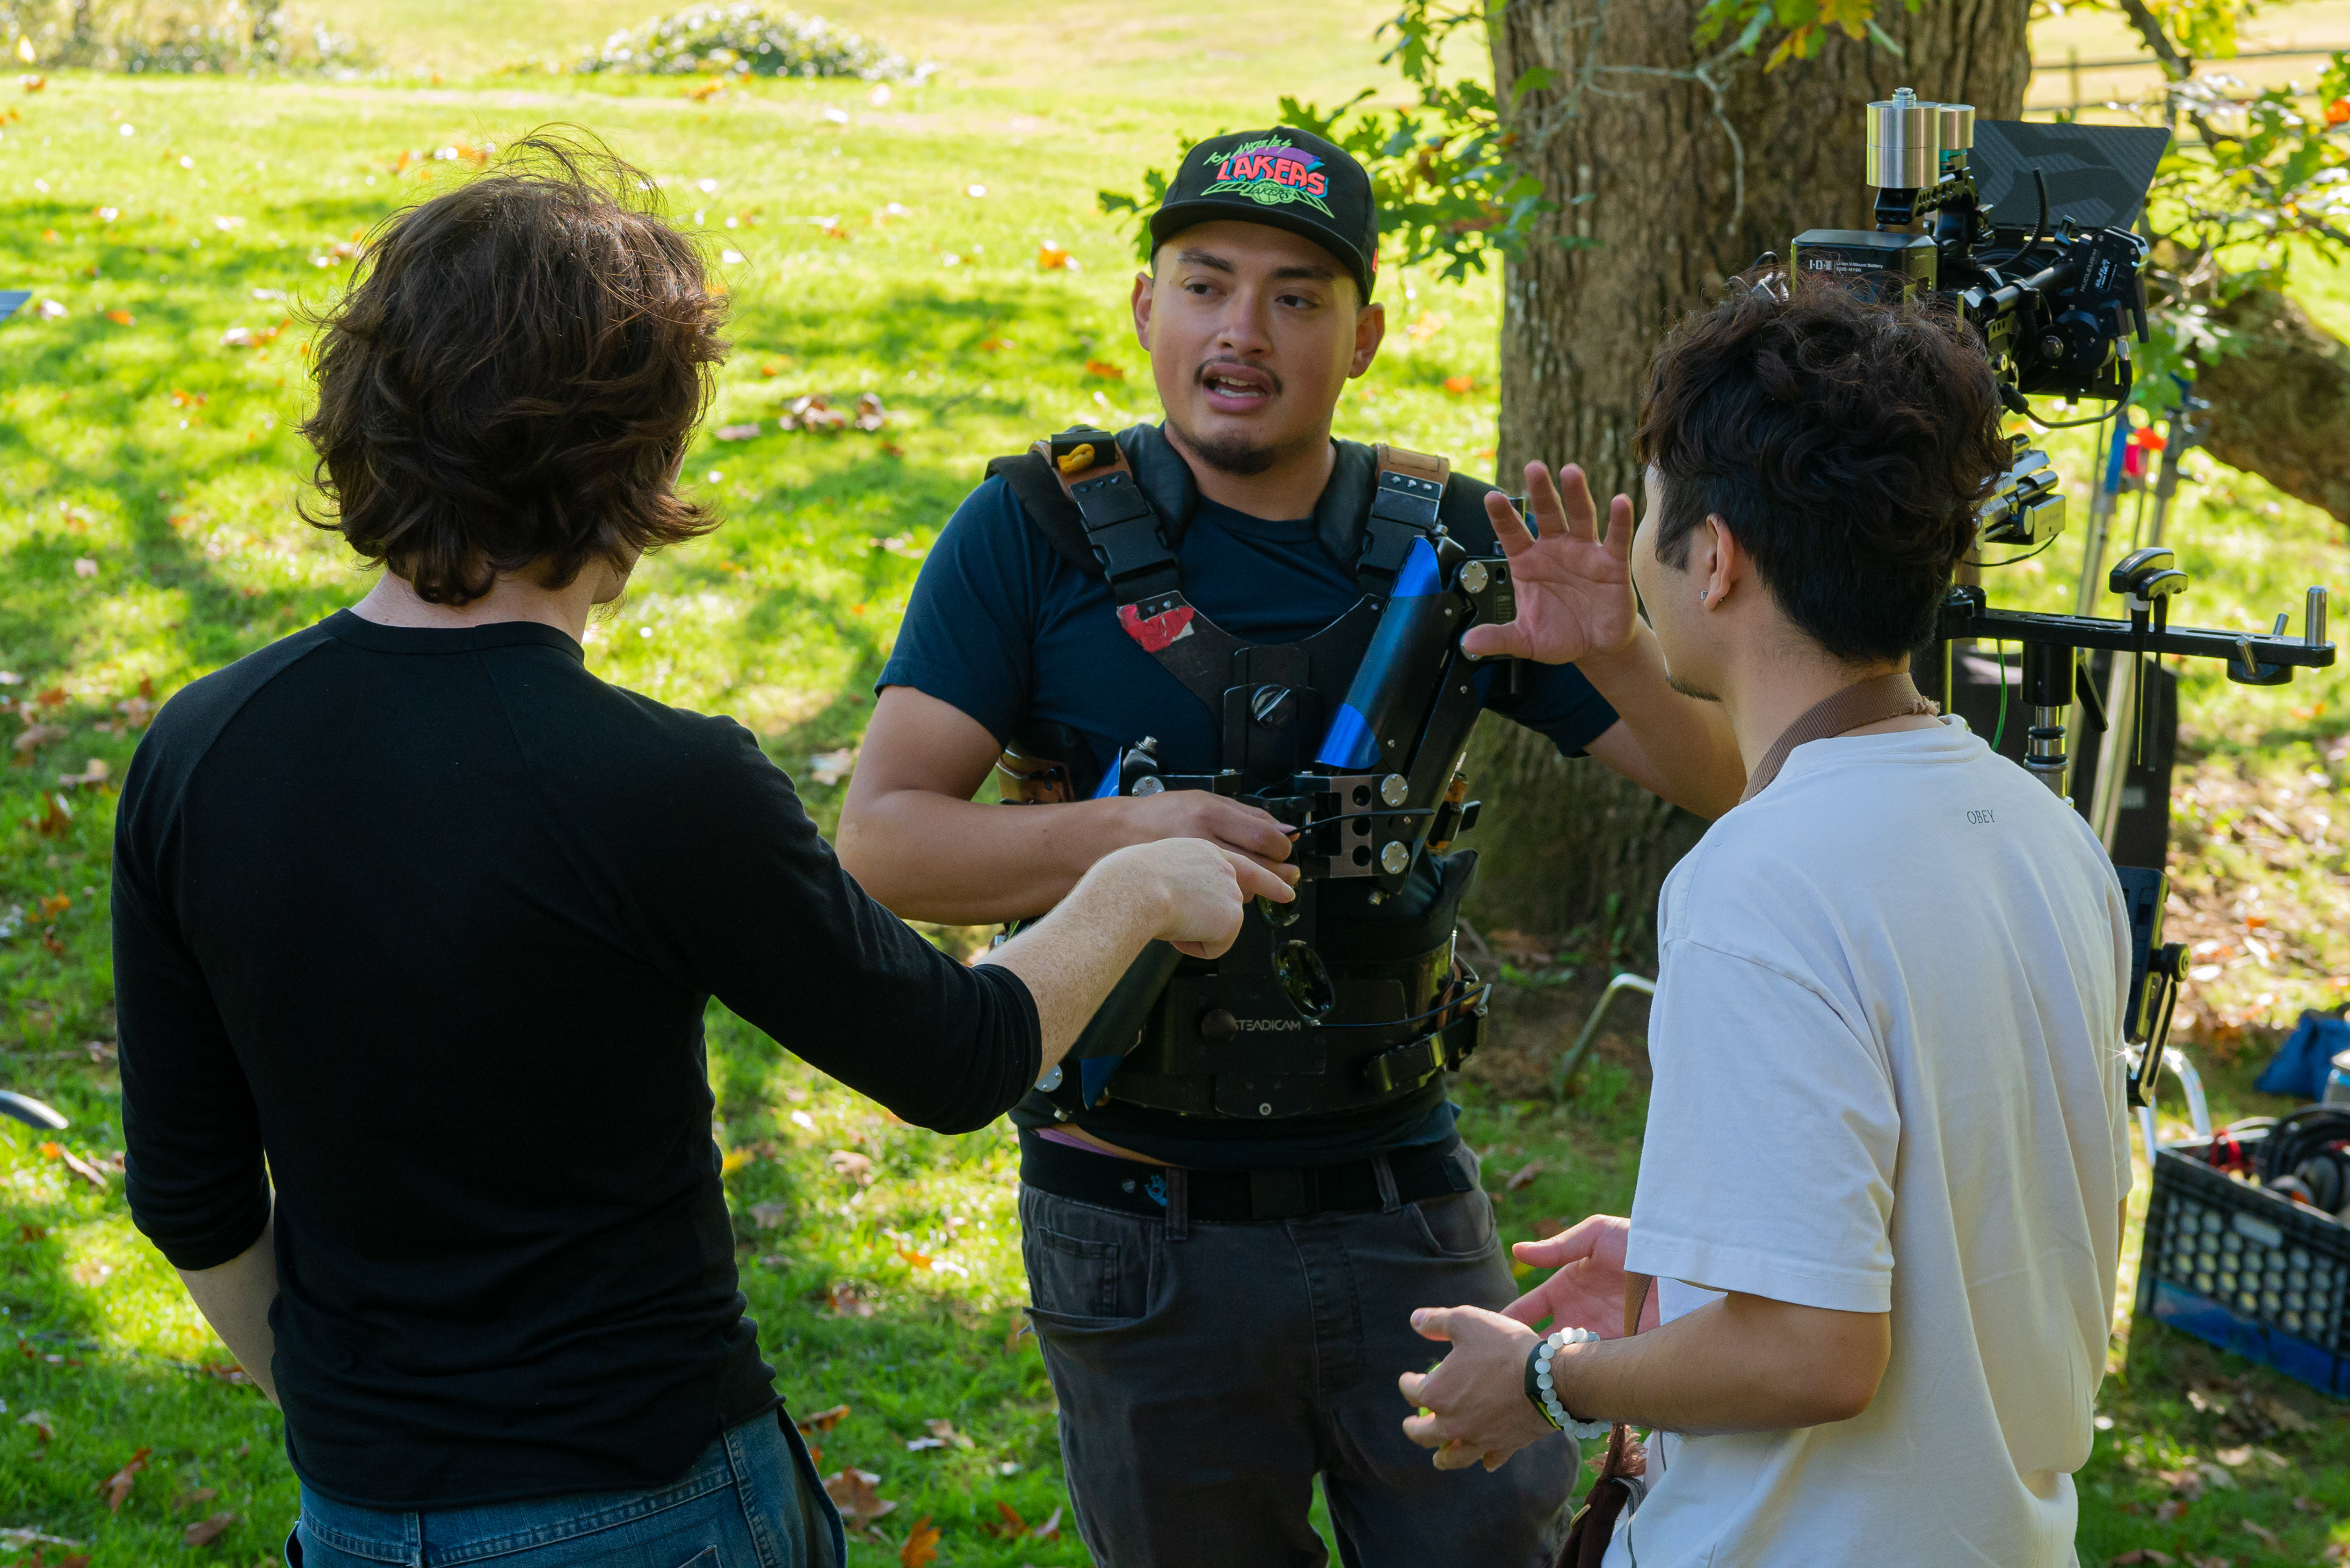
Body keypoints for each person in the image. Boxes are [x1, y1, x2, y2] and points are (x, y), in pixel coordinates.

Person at [111, 136, 1287, 1568]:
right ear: (641, 449)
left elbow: (189, 1195)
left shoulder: (197, 751)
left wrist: (365, 1437)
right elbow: (957, 1057)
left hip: (355, 1517)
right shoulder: (664, 785)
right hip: (653, 1502)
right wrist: (1135, 885)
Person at [835, 126, 1745, 1566]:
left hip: (1401, 1192)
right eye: (1206, 285)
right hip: (1131, 1208)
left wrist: (1620, 653)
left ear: (1365, 336)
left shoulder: (1453, 544)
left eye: (1297, 297)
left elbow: (1732, 782)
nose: (1242, 332)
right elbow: (885, 841)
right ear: (1147, 307)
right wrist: (1137, 835)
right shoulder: (1031, 532)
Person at [1397, 277, 2134, 1567]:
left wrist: (1549, 1377)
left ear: (1717, 557)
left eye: (1652, 513)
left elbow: (1811, 1352)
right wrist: (1693, 1258)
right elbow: (1969, 1217)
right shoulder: (2042, 831)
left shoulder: (1758, 883)